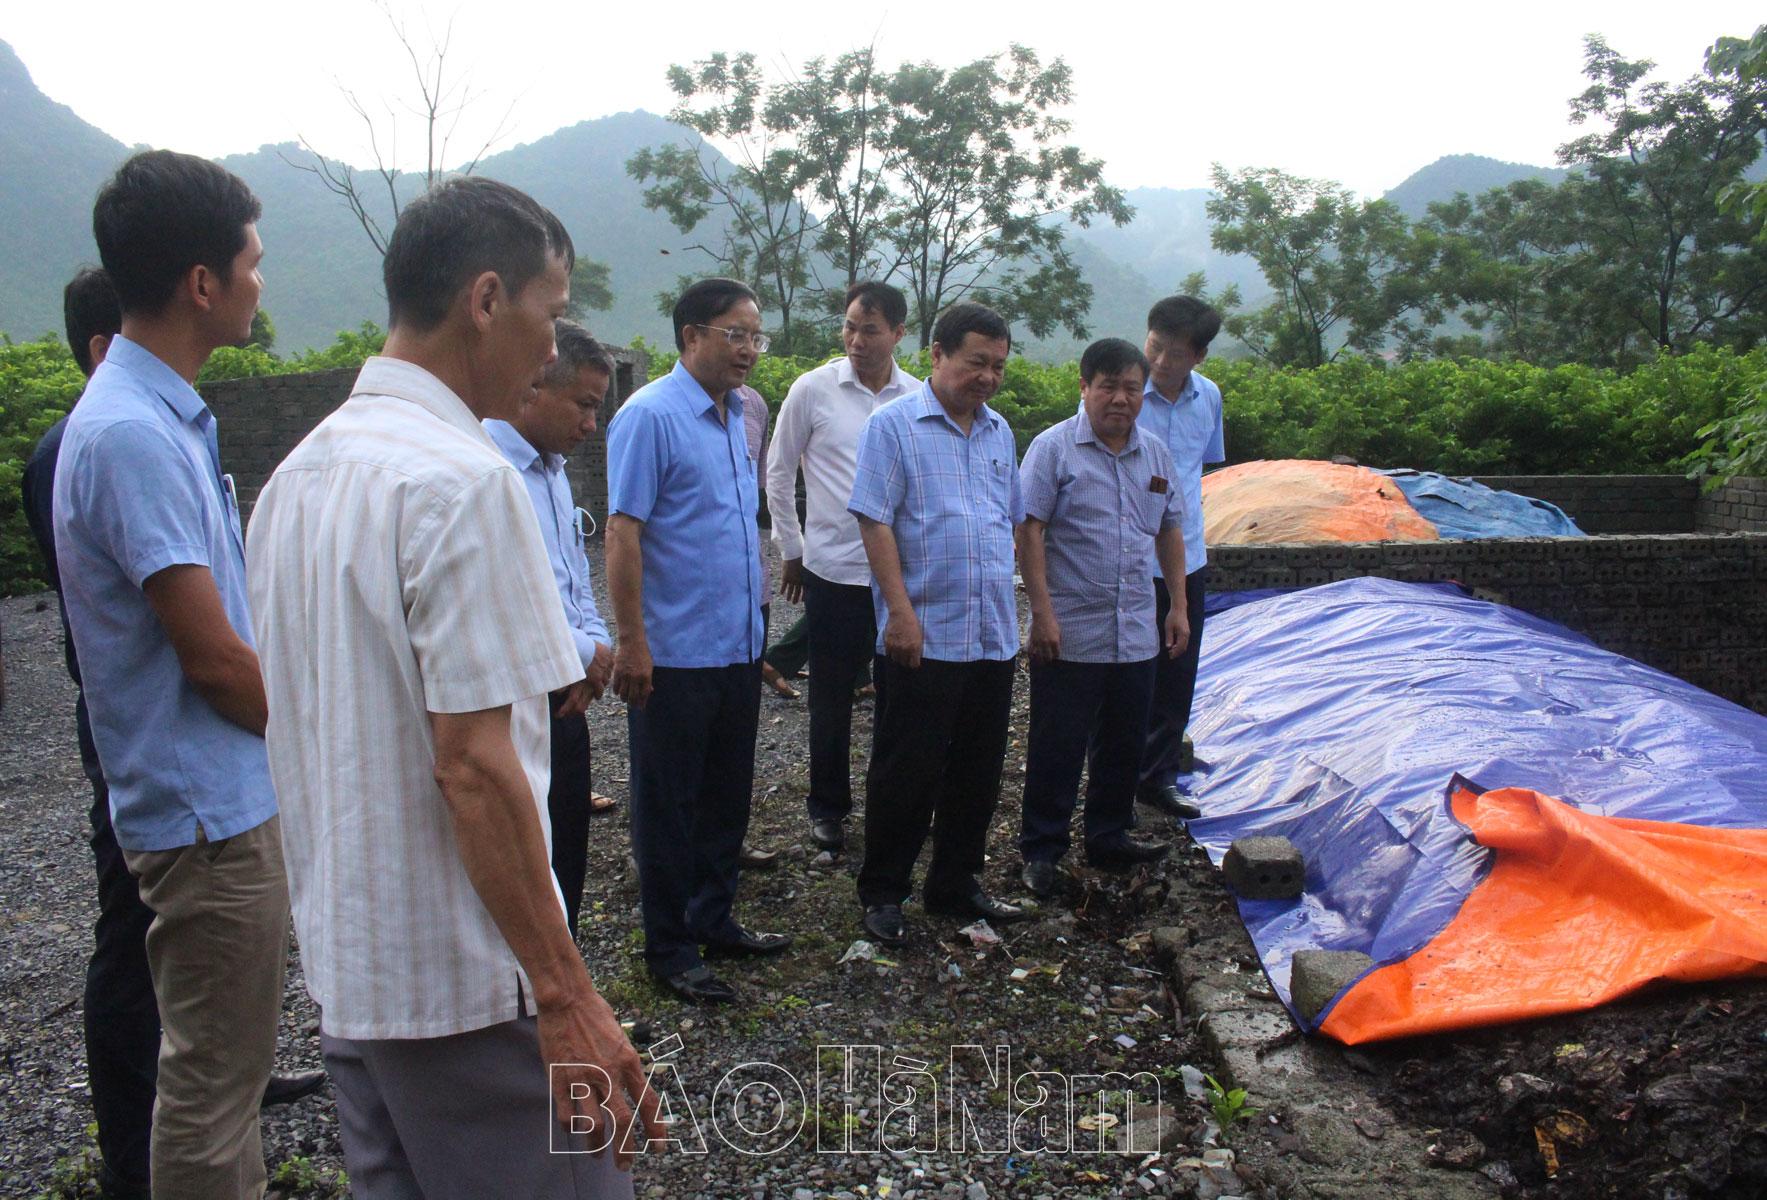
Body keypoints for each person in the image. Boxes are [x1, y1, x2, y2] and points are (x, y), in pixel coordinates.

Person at [248, 177, 660, 1198]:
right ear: (486, 300)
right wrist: (566, 996)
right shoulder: (461, 480)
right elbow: (475, 765)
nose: (549, 346)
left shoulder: (294, 481)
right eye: (550, 314)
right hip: (469, 991)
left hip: (353, 977)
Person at [23, 268, 321, 1200]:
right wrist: (316, 738)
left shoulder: (158, 418)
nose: (264, 281)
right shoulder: (128, 434)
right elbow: (213, 658)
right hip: (203, 811)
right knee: (205, 1087)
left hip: (215, 795)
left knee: (223, 1081)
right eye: (253, 260)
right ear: (201, 280)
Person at [606, 278, 792, 1006]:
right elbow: (624, 531)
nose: (748, 349)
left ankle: (713, 919)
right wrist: (632, 643)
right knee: (668, 803)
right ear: (690, 336)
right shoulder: (648, 416)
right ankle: (669, 946)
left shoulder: (742, 413)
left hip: (738, 645)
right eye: (734, 334)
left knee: (725, 796)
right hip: (674, 651)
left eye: (755, 336)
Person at [847, 301, 1025, 946]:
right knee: (906, 768)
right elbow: (874, 519)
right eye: (977, 361)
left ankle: (955, 882)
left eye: (998, 366)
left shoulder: (1000, 432)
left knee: (978, 768)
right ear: (938, 355)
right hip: (924, 630)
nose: (987, 376)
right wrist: (898, 613)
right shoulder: (894, 426)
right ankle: (884, 890)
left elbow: (1004, 522)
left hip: (991, 632)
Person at [1015, 339, 1190, 898]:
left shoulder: (1156, 455)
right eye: (1108, 386)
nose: (1120, 398)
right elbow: (1030, 530)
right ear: (1085, 387)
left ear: (1143, 394)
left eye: (1131, 388)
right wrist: (1040, 612)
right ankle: (1042, 849)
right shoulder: (1053, 450)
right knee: (1057, 745)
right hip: (1069, 630)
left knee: (1123, 743)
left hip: (1136, 628)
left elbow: (1169, 530)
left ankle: (1108, 834)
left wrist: (1179, 606)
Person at [766, 281, 919, 852]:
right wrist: (794, 548)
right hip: (833, 571)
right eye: (850, 326)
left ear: (899, 334)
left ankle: (892, 802)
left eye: (870, 329)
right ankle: (827, 808)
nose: (856, 340)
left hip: (897, 578)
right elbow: (779, 472)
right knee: (829, 698)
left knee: (898, 694)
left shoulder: (916, 398)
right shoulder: (813, 390)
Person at [483, 318, 617, 934]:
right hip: (513, 702)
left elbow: (572, 574)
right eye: (585, 405)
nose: (592, 424)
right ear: (535, 386)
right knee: (522, 861)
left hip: (568, 695)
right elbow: (500, 592)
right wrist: (576, 653)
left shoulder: (554, 468)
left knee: (567, 850)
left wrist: (595, 646)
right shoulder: (486, 471)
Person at [1136, 296, 1225, 820]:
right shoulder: (1123, 393)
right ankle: (1113, 775)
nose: (1162, 361)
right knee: (1124, 672)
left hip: (1186, 557)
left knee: (1176, 670)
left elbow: (1203, 468)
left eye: (1176, 353)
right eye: (1156, 347)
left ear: (1200, 356)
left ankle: (1158, 778)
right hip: (1126, 556)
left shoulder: (1207, 398)